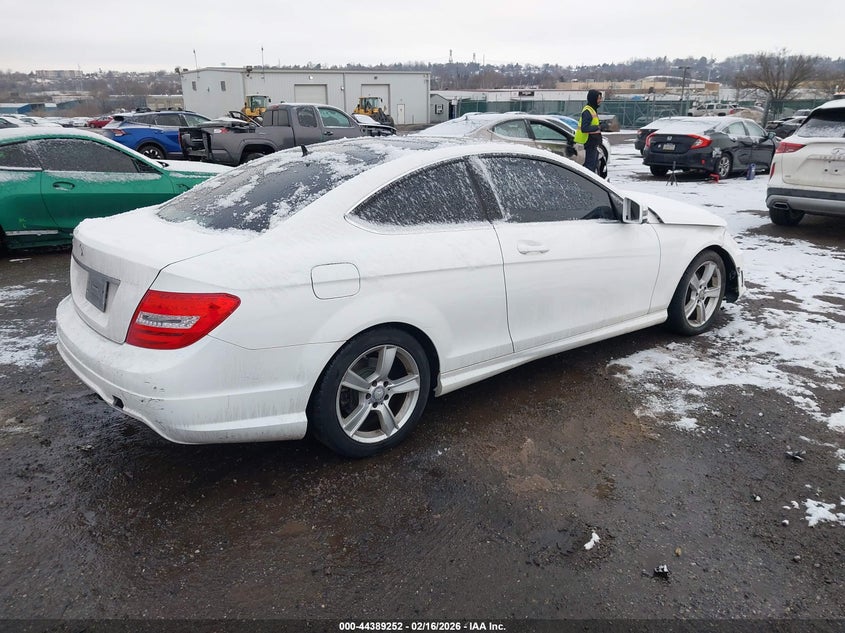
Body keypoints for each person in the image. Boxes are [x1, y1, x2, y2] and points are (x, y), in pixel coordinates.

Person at [575, 89, 603, 174]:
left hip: (593, 142)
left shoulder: (592, 109)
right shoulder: (588, 111)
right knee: (589, 167)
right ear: (593, 99)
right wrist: (597, 127)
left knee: (593, 165)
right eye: (598, 99)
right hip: (588, 142)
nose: (600, 101)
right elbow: (585, 128)